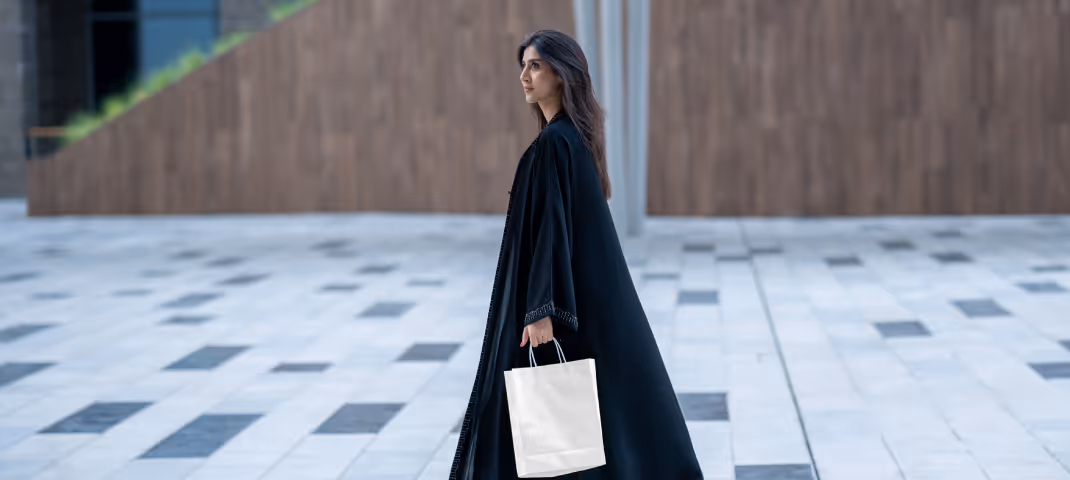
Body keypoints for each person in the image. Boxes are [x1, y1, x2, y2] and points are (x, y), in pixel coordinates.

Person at [449, 29, 704, 479]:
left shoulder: (556, 143)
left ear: (562, 76)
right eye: (523, 66)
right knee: (601, 414)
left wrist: (541, 309)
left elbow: (554, 231)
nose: (525, 76)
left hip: (566, 306)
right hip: (589, 303)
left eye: (536, 66)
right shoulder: (571, 138)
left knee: (569, 416)